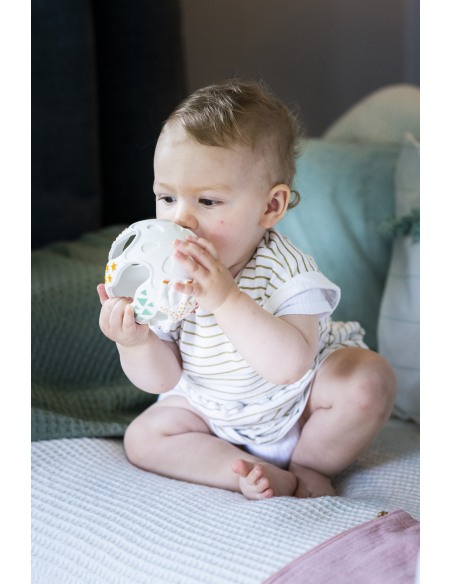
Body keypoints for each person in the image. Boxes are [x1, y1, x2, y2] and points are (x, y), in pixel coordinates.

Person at [97, 79, 396, 500]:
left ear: (270, 206)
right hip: (210, 409)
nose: (180, 220)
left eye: (207, 202)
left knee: (369, 381)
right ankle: (241, 470)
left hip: (299, 406)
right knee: (144, 438)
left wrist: (225, 299)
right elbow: (163, 378)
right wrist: (134, 341)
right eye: (166, 198)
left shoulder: (285, 269)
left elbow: (290, 365)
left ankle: (309, 466)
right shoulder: (168, 277)